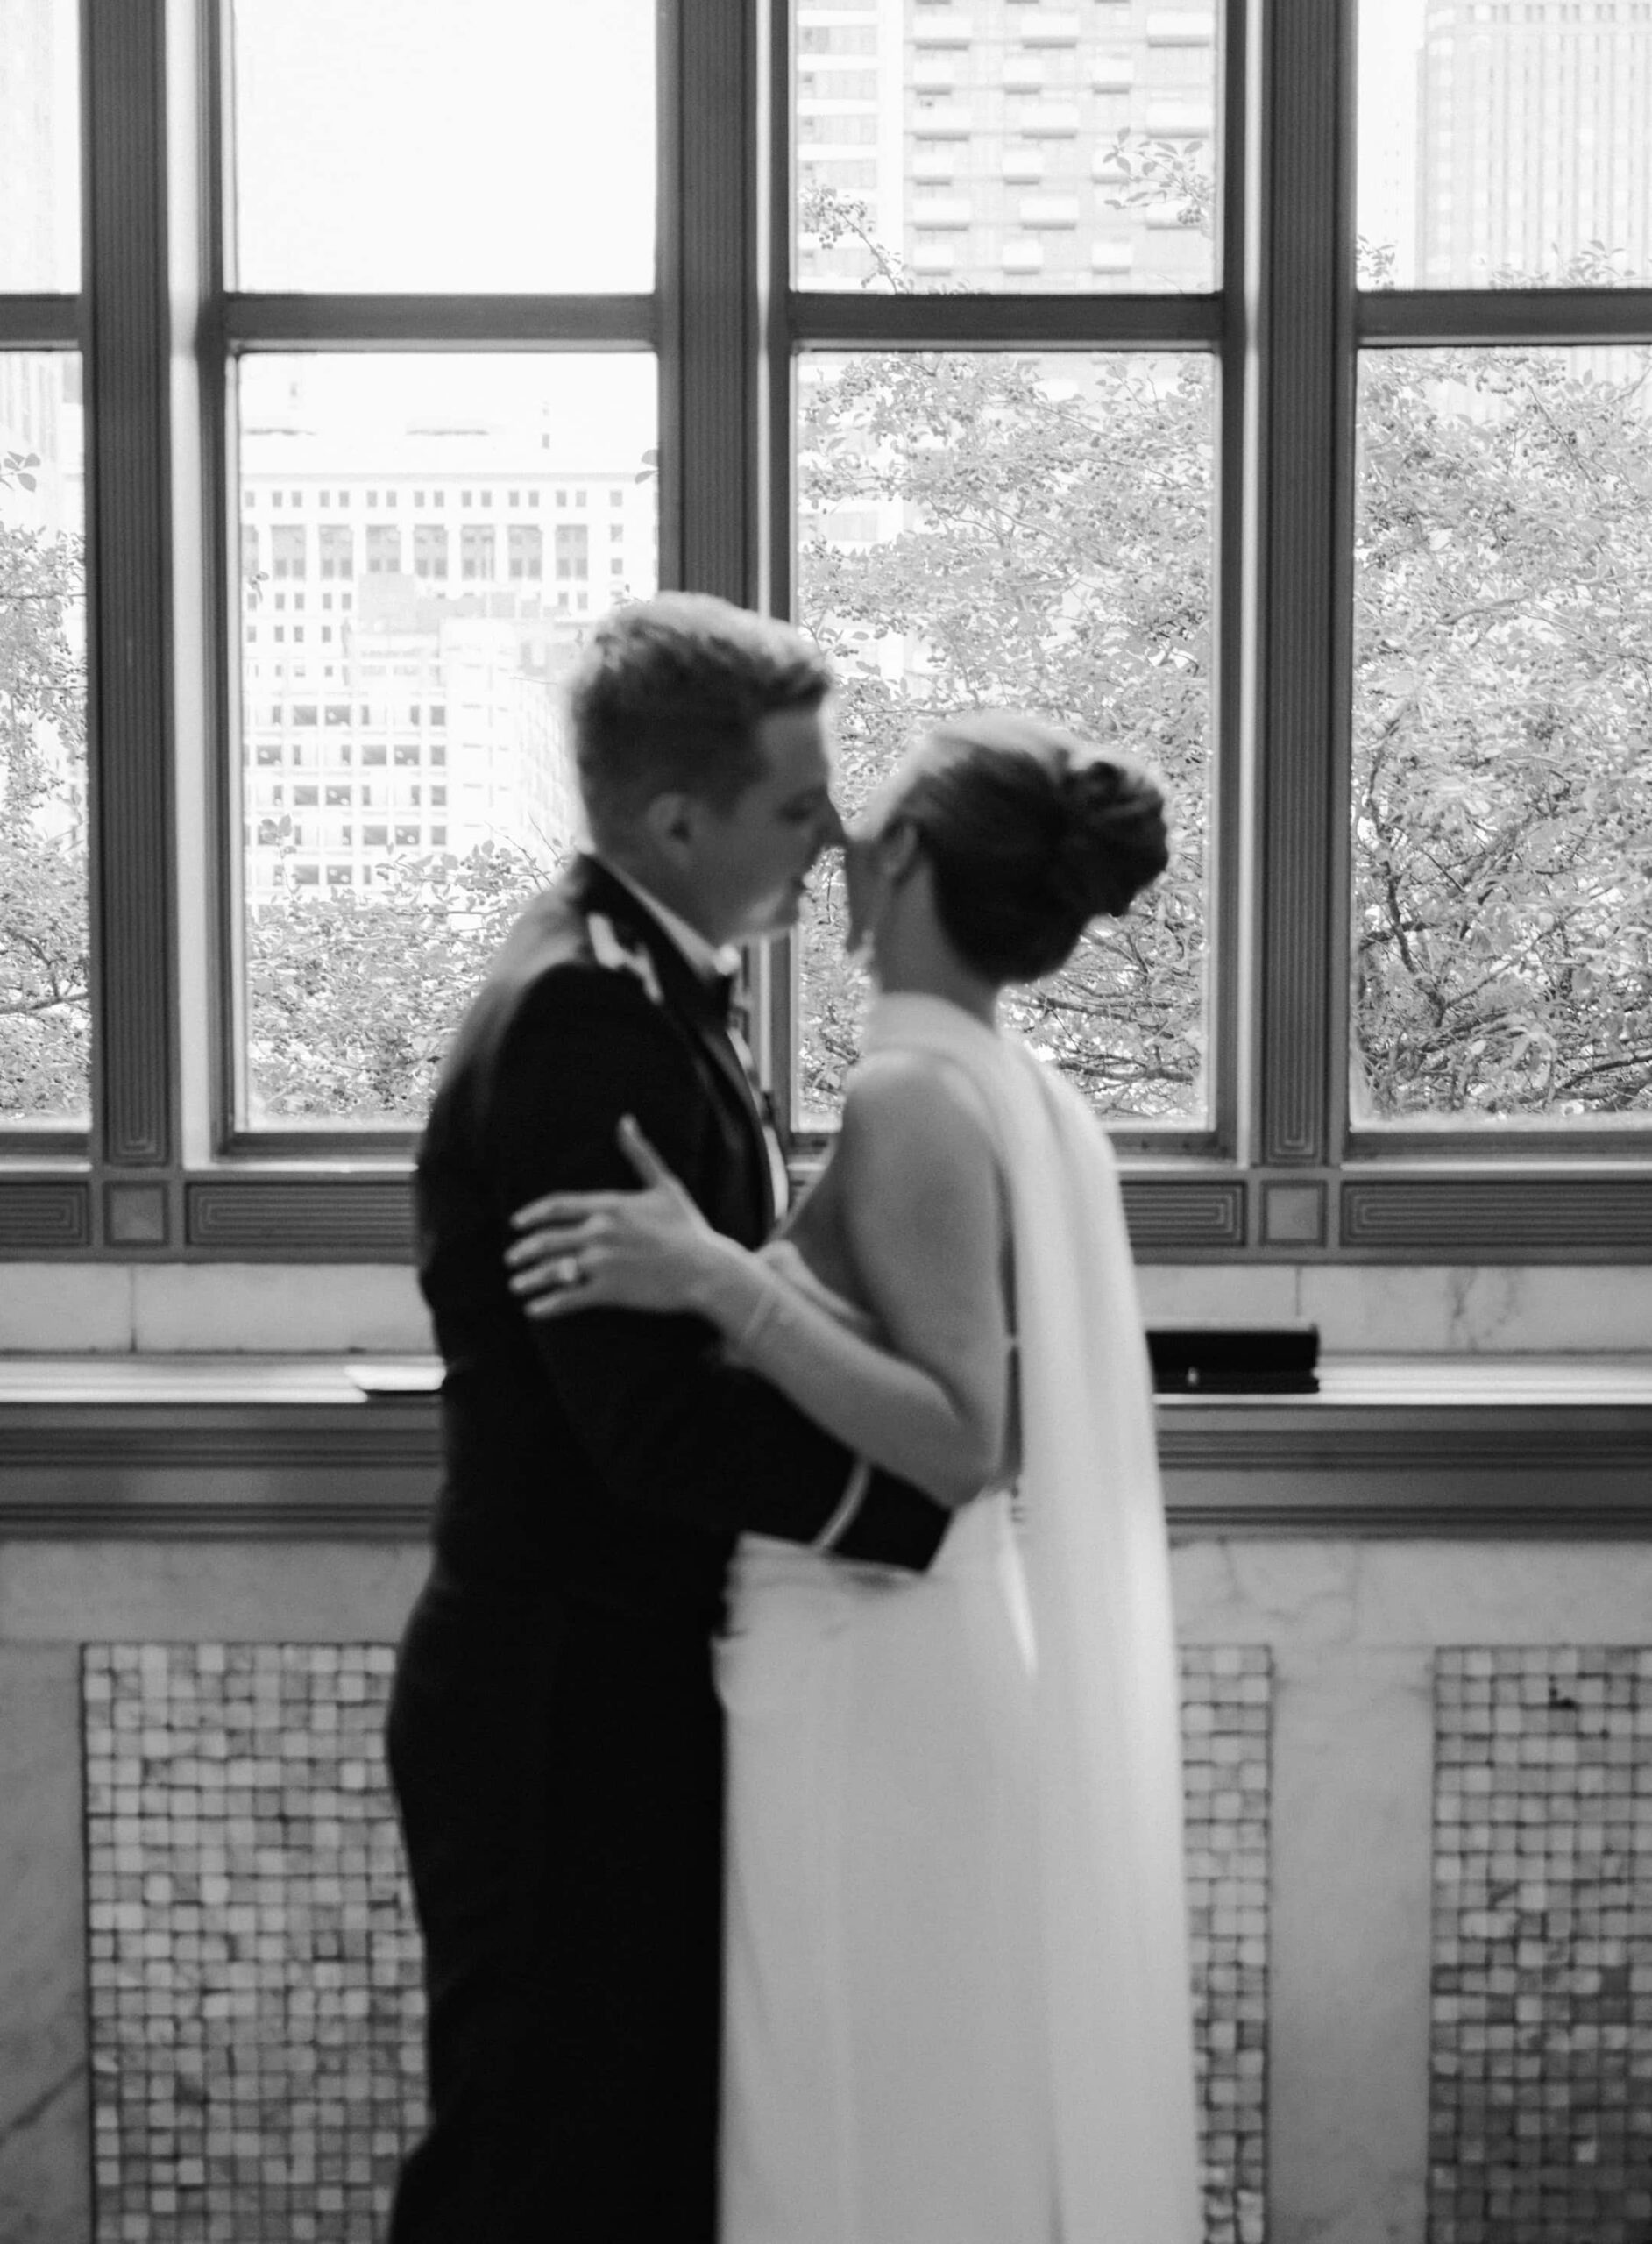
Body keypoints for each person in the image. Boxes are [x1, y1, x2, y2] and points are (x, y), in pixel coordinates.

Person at [508, 710, 1205, 2243]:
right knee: (907, 2095)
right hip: (903, 1651)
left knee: (849, 2107)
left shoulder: (913, 1098)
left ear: (901, 860)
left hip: (865, 1659)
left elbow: (964, 1440)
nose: (831, 845)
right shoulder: (1009, 1090)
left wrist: (722, 1282)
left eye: (859, 817)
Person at [384, 593, 953, 2244]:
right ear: (673, 818)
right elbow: (645, 1430)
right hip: (564, 1697)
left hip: (615, 1674)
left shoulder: (637, 976)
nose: (830, 833)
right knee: (536, 2165)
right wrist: (919, 1503)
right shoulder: (580, 1017)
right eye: (795, 803)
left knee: (629, 2156)